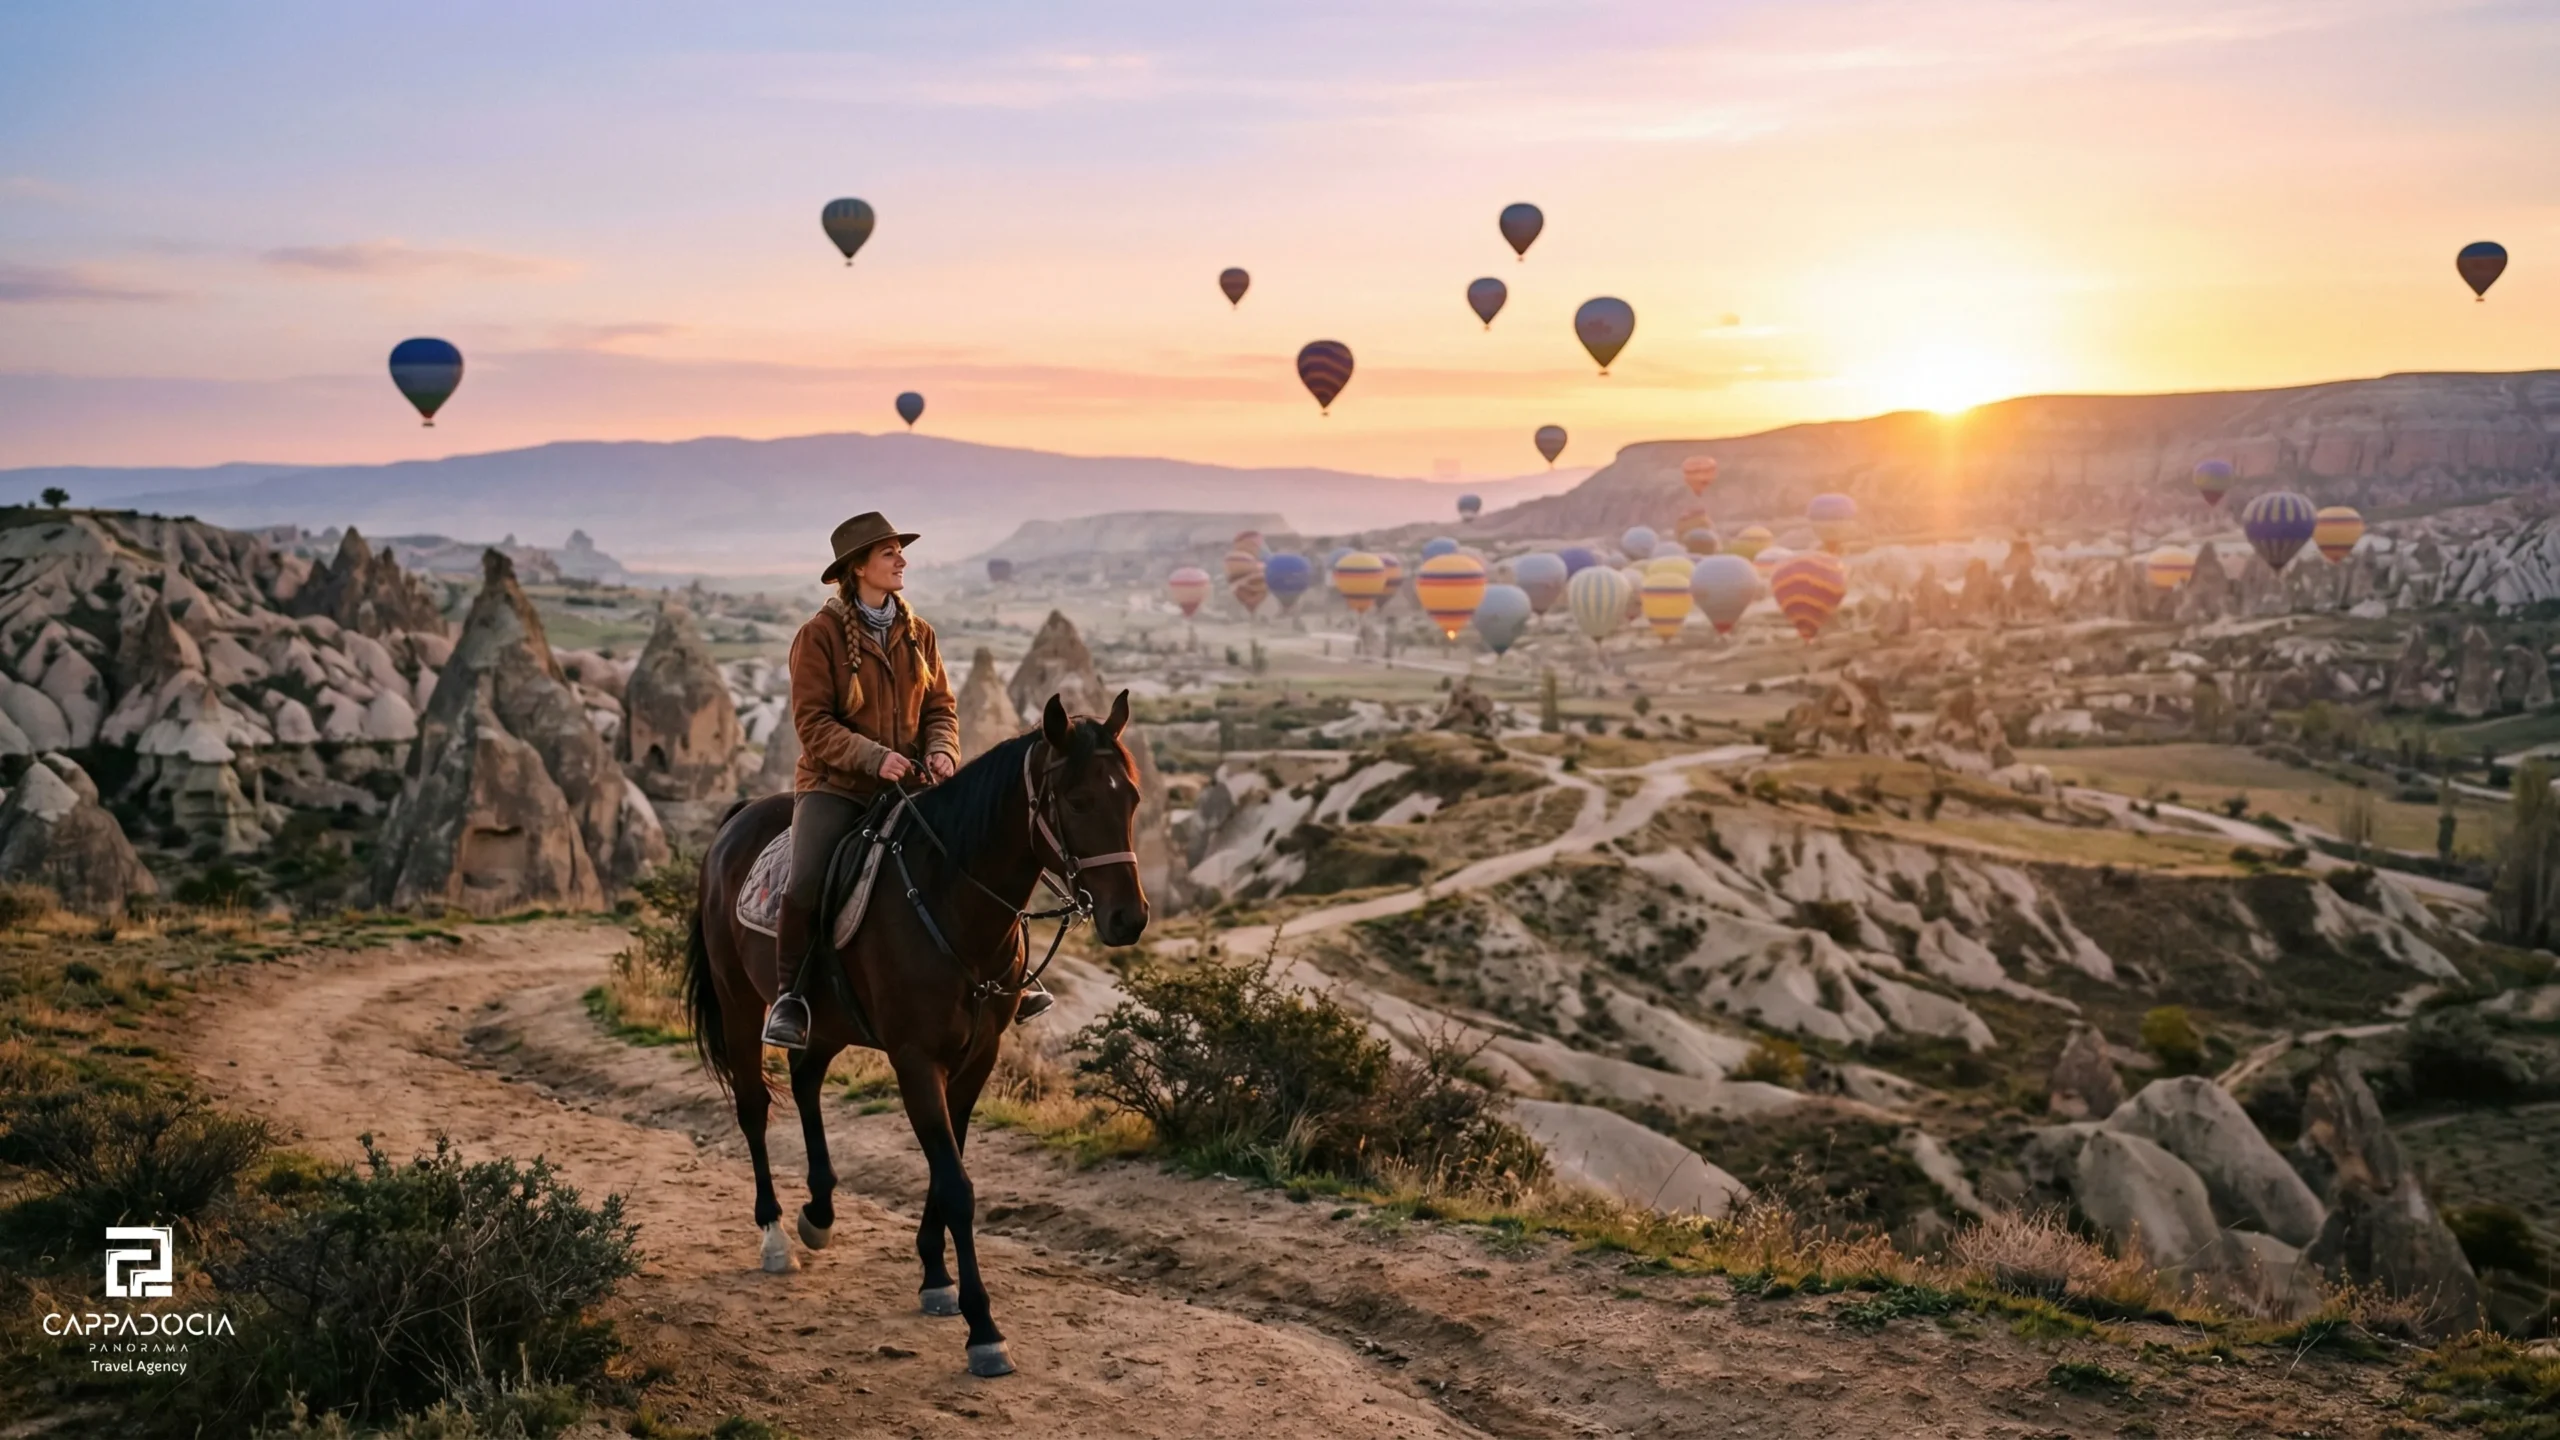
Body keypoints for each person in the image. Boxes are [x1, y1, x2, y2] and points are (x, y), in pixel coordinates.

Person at [763, 512, 1050, 1049]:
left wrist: (942, 750)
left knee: (986, 858)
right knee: (805, 879)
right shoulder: (818, 636)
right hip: (839, 787)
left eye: (900, 551)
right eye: (889, 553)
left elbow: (941, 707)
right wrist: (874, 758)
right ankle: (791, 996)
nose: (902, 561)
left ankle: (1006, 980)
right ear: (858, 568)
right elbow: (813, 724)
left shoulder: (919, 633)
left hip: (915, 783)